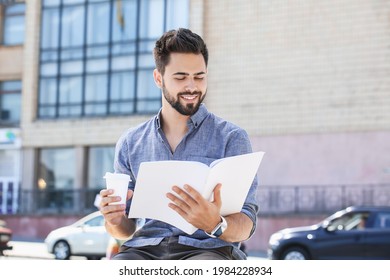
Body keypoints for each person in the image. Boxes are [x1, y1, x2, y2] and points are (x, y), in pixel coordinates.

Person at [99, 28, 259, 260]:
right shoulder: (130, 142)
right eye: (181, 77)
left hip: (208, 250)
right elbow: (126, 229)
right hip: (144, 250)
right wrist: (113, 220)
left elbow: (246, 222)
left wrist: (216, 223)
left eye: (199, 76)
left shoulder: (232, 138)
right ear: (158, 78)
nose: (192, 87)